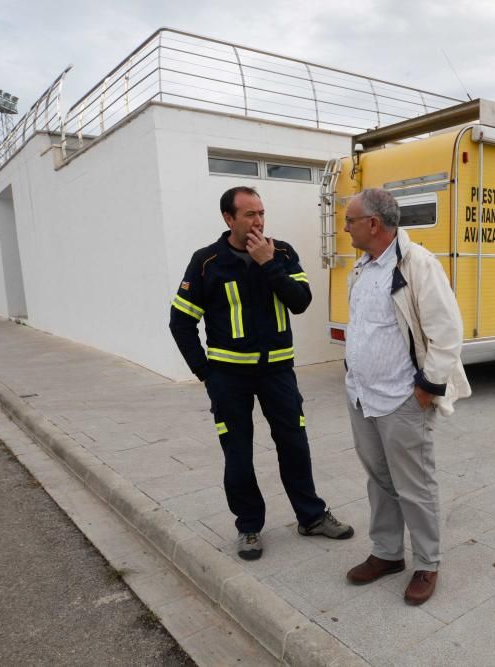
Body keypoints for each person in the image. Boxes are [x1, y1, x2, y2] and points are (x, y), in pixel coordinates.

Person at [169, 186, 353, 561]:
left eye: (262, 213)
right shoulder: (207, 261)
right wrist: (206, 373)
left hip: (278, 373)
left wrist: (269, 263)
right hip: (229, 378)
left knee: (295, 446)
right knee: (237, 454)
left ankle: (312, 517)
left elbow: (301, 303)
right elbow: (180, 322)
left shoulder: (282, 253)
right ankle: (249, 527)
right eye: (250, 214)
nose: (259, 221)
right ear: (228, 218)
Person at [342, 188, 471, 606]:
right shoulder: (362, 268)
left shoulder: (417, 264)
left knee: (414, 484)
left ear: (373, 224)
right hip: (362, 396)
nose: (345, 228)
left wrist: (427, 387)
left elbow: (447, 332)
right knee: (379, 480)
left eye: (350, 221)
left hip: (401, 398)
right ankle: (387, 553)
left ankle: (428, 562)